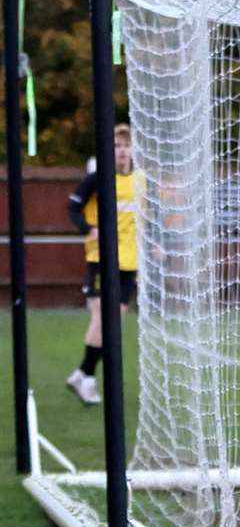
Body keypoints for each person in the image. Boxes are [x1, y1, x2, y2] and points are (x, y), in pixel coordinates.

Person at [65, 125, 139, 406]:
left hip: (129, 263)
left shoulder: (139, 182)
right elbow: (72, 206)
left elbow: (144, 216)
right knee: (100, 317)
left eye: (125, 146)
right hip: (101, 259)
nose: (121, 151)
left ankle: (82, 374)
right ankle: (89, 380)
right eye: (116, 146)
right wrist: (88, 227)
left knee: (113, 322)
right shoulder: (98, 179)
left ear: (132, 150)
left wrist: (154, 245)